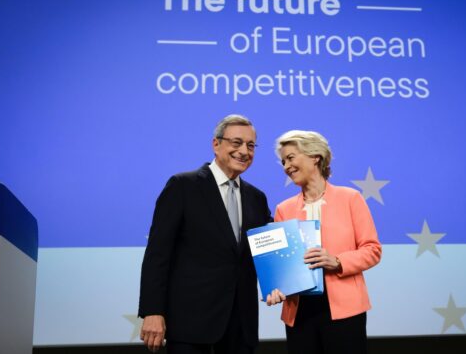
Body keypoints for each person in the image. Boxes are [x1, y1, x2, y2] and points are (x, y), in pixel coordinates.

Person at [138, 114, 272, 354]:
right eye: (236, 142)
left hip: (241, 328)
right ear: (216, 144)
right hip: (190, 325)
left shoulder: (257, 198)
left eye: (251, 145)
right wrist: (152, 311)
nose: (244, 151)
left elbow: (268, 252)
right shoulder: (182, 186)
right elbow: (158, 254)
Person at [266, 130, 382, 354]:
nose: (286, 166)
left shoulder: (351, 198)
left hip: (345, 311)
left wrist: (337, 261)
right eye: (283, 161)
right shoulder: (283, 209)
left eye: (291, 157)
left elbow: (372, 249)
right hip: (299, 312)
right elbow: (280, 266)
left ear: (315, 156)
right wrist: (276, 286)